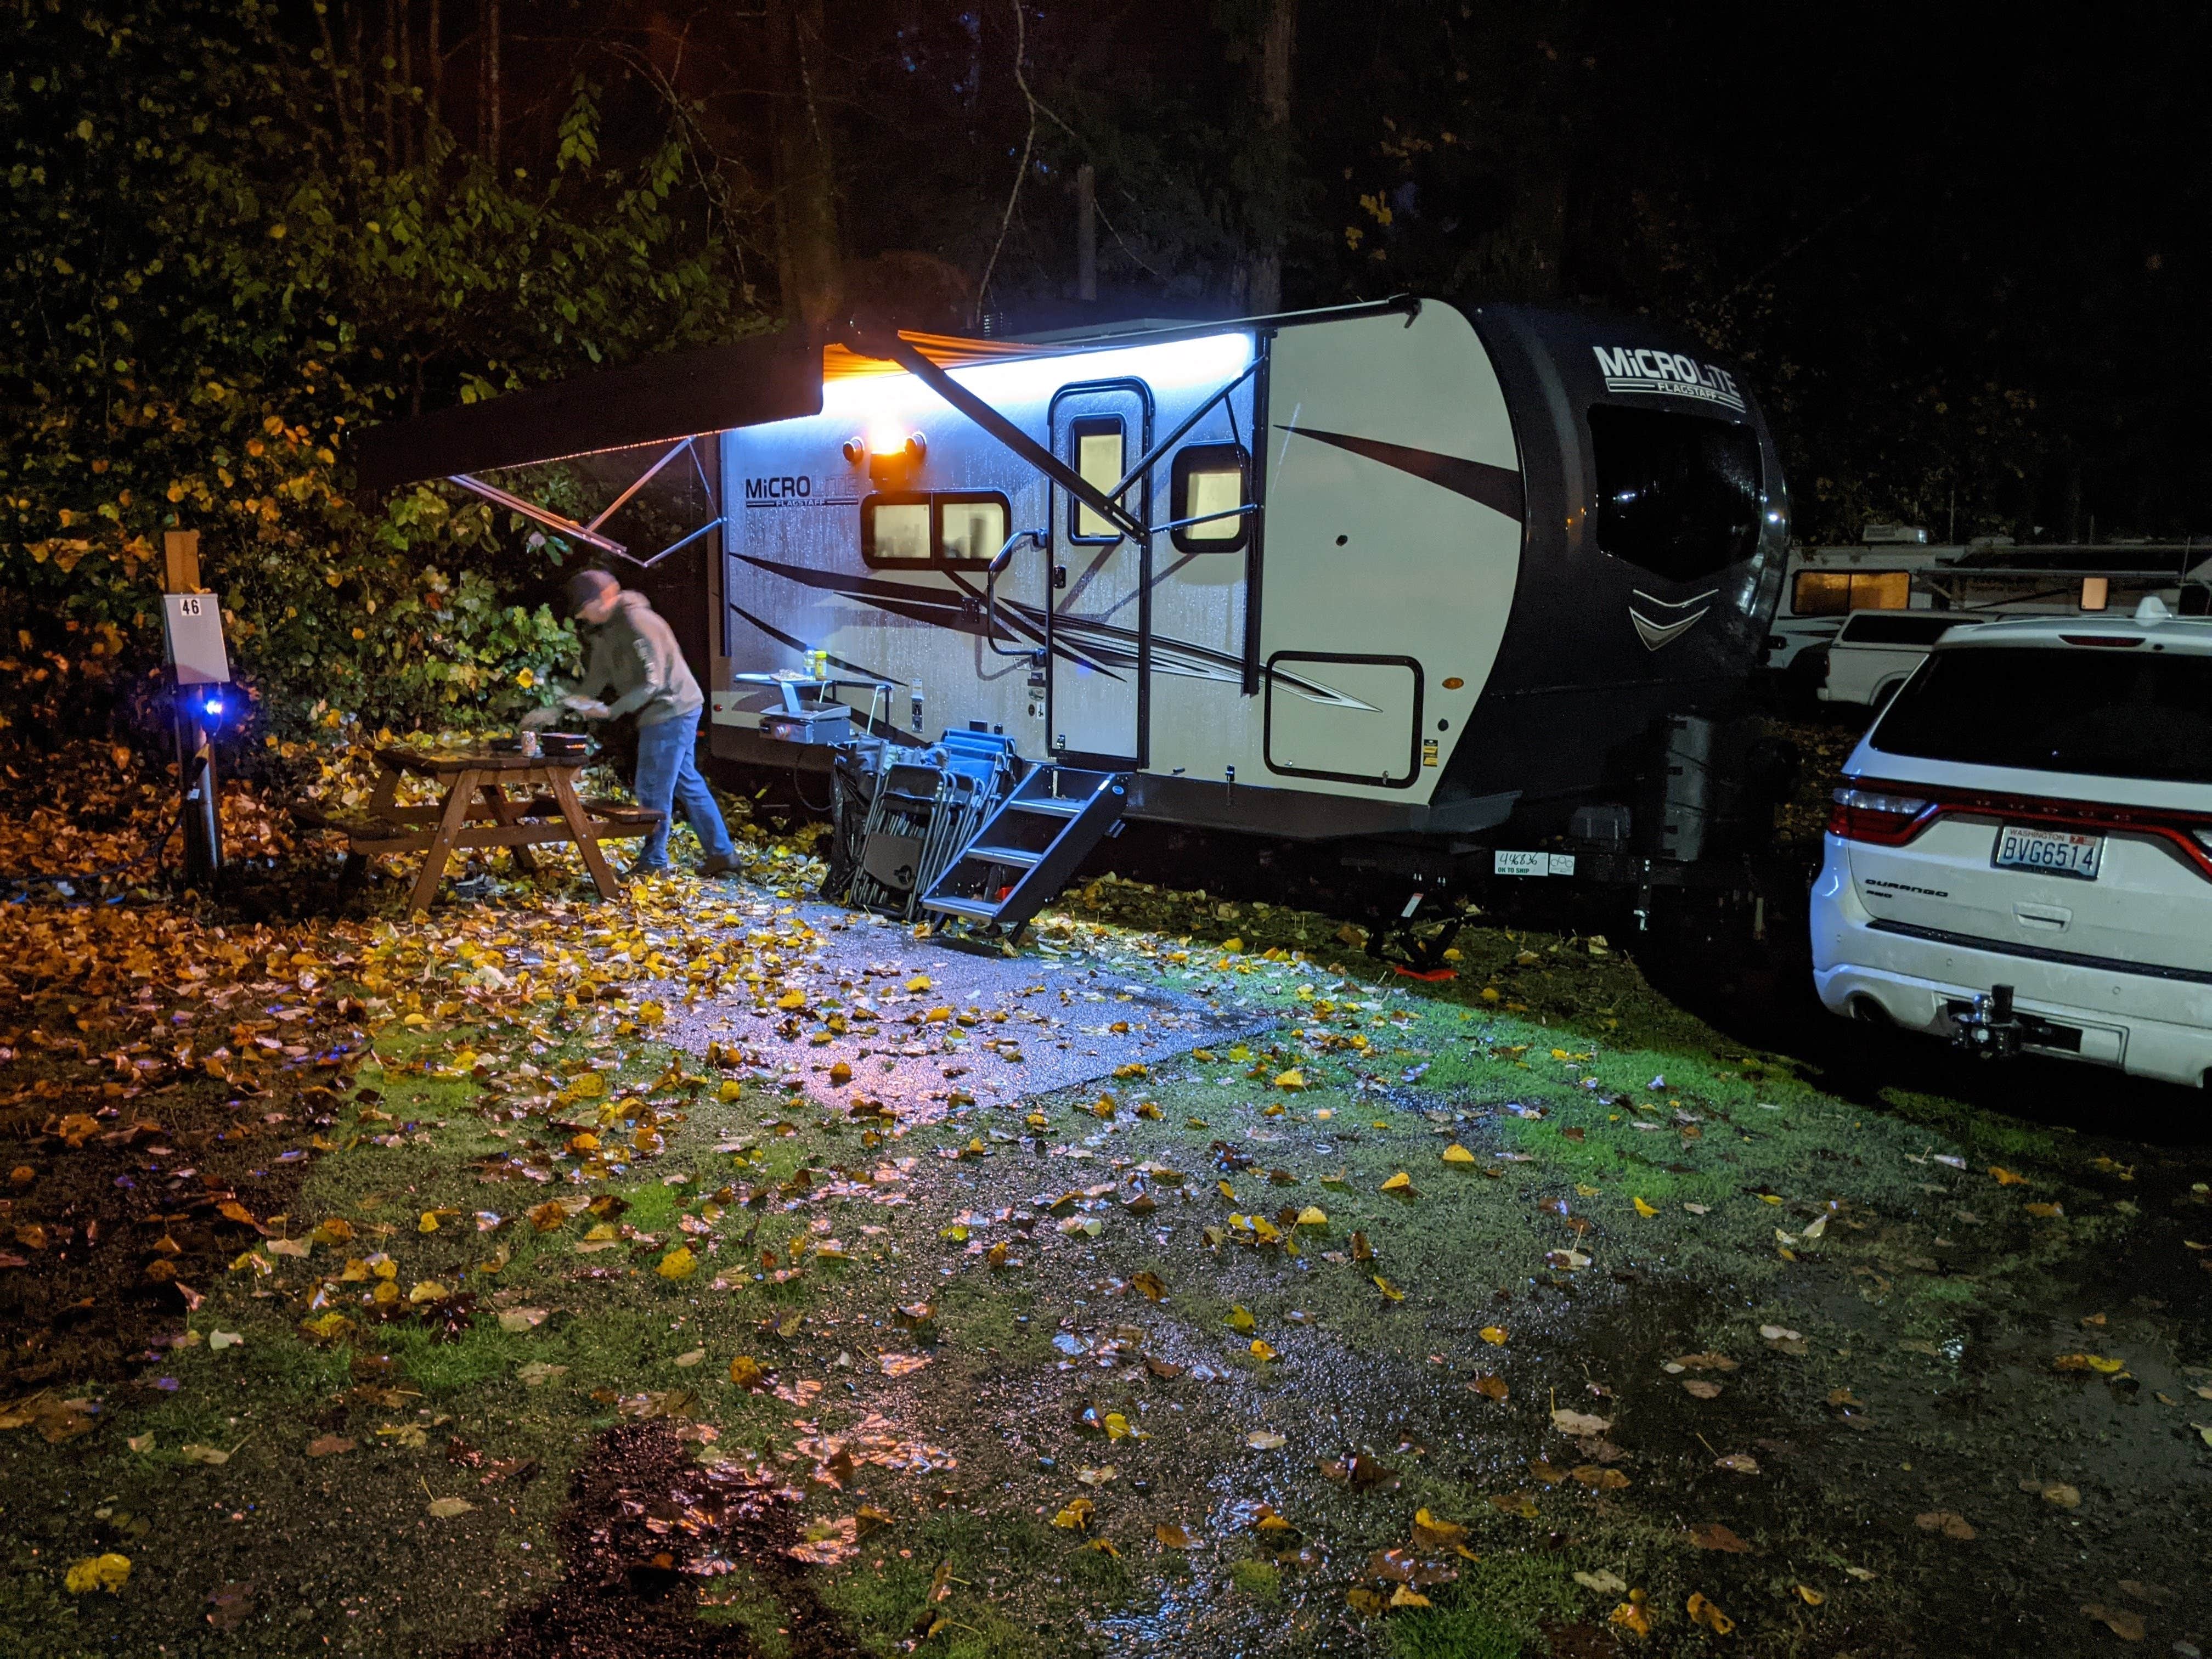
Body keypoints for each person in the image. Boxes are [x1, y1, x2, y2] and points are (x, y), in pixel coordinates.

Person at [522, 569, 738, 878]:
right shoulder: (606, 632)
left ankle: (655, 862)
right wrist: (555, 711)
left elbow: (653, 683)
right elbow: (594, 682)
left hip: (671, 708)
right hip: (668, 708)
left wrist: (612, 711)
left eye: (587, 610)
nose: (585, 619)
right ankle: (722, 854)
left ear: (606, 596)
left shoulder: (640, 623)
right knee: (684, 781)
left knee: (652, 786)